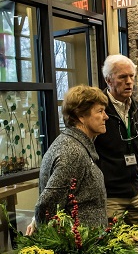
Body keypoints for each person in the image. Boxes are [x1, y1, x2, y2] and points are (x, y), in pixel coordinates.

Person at [26, 85, 109, 235]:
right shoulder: (73, 152)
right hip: (78, 252)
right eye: (100, 111)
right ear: (80, 115)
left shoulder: (74, 144)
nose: (106, 116)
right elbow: (45, 206)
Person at [94, 54, 138, 225]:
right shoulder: (98, 110)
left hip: (134, 191)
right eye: (123, 77)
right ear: (108, 80)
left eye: (131, 76)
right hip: (110, 195)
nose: (129, 82)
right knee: (117, 246)